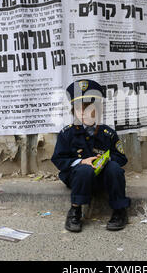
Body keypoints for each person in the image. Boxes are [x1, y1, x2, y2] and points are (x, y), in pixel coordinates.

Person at [51, 79, 131, 232]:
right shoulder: (67, 133)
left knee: (114, 168)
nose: (82, 112)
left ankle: (120, 211)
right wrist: (81, 162)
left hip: (103, 179)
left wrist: (104, 161)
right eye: (78, 108)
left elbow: (121, 158)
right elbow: (59, 159)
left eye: (87, 108)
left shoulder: (107, 133)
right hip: (78, 179)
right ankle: (75, 211)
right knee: (84, 169)